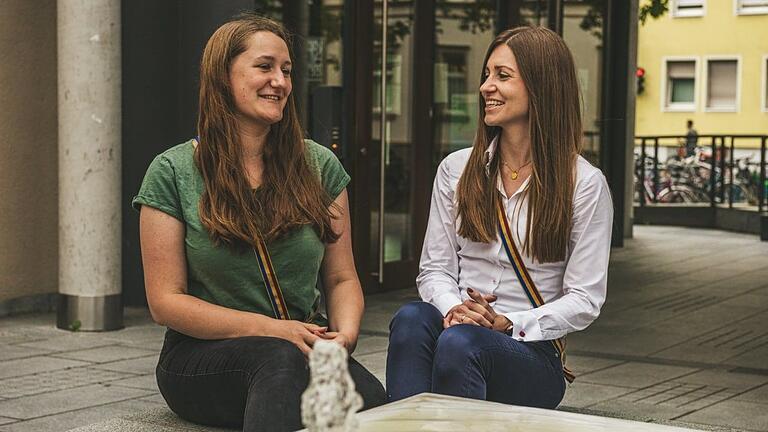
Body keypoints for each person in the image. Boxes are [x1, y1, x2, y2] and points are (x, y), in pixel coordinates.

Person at [132, 14, 385, 432]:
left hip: (302, 348)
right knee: (276, 359)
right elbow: (166, 301)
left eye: (286, 70)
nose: (281, 82)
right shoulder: (172, 171)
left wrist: (345, 337)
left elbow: (341, 278)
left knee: (372, 401)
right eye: (264, 67)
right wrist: (273, 330)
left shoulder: (320, 165)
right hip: (201, 358)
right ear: (222, 76)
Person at [386, 27, 613, 409]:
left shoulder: (585, 184)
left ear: (542, 86)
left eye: (502, 76)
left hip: (531, 355)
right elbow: (435, 270)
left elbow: (584, 299)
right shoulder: (456, 170)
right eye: (486, 75)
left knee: (462, 344)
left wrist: (508, 322)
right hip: (457, 330)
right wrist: (456, 310)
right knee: (411, 319)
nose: (485, 87)